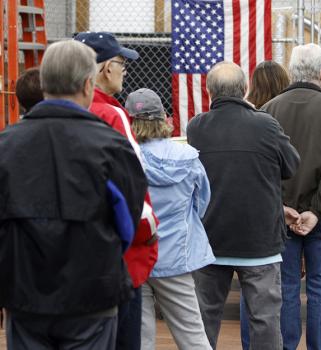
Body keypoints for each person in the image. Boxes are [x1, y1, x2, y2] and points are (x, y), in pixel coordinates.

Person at [0, 39, 147, 350]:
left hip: (24, 293)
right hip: (91, 293)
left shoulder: (6, 146)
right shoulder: (111, 145)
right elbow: (128, 224)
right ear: (87, 83)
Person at [187, 62, 300, 350]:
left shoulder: (196, 127)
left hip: (212, 238)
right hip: (259, 239)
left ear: (210, 91)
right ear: (244, 89)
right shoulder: (265, 124)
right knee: (264, 319)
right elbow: (291, 165)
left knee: (205, 317)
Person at [262, 44, 321, 350]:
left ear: (291, 70)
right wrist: (316, 211)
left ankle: (287, 346)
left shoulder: (270, 110)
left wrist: (281, 206)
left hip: (282, 215)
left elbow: (264, 168)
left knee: (286, 287)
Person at [75, 31, 159, 350]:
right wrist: (148, 237)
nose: (125, 70)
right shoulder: (112, 114)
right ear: (106, 67)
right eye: (122, 63)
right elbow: (136, 190)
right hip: (116, 261)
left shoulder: (41, 115)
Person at [125, 88, 213, 350]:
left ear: (131, 121)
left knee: (139, 339)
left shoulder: (126, 158)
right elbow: (202, 203)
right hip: (176, 256)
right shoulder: (188, 157)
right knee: (193, 336)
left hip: (136, 256)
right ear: (164, 117)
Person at [241, 59, 292, 350]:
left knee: (255, 290)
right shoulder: (273, 120)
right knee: (275, 290)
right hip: (283, 207)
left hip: (255, 208)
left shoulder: (252, 116)